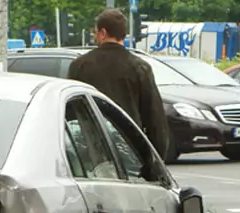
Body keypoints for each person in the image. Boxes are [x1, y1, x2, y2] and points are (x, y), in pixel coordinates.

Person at [67, 9, 170, 159]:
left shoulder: (80, 66)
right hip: (131, 151)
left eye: (95, 32)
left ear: (102, 33)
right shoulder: (140, 68)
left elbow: (70, 112)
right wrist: (156, 161)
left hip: (91, 151)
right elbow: (155, 120)